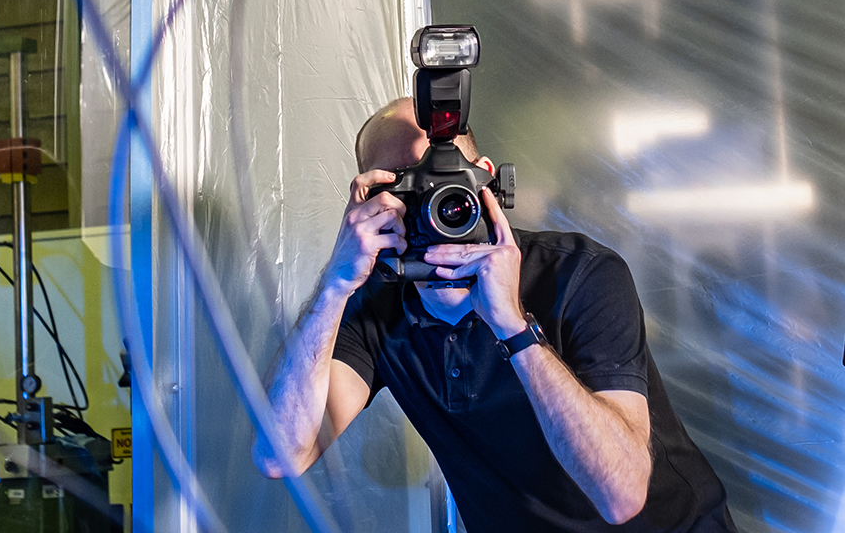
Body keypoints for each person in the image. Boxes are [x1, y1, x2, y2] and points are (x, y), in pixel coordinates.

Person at [253, 97, 735, 532]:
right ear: (365, 200)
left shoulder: (579, 274)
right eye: (402, 186)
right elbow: (279, 455)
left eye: (444, 182)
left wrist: (514, 327)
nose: (427, 205)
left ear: (487, 181)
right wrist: (336, 283)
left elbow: (621, 496)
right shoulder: (374, 304)